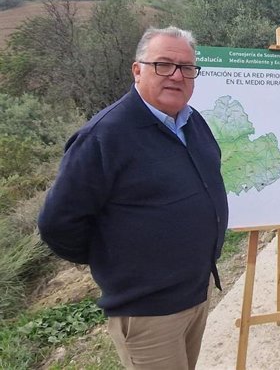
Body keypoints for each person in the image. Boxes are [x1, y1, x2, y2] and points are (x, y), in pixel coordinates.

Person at [38, 26, 229, 370]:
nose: (176, 75)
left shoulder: (192, 121)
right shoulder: (104, 136)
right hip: (147, 311)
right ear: (137, 69)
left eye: (187, 67)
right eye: (163, 64)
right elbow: (58, 224)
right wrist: (118, 261)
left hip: (194, 296)